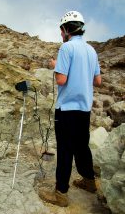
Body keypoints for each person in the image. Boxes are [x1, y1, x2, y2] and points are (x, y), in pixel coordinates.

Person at [39, 11, 102, 207]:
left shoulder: (66, 49)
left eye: (61, 30)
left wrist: (56, 66)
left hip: (66, 110)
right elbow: (98, 81)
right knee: (82, 147)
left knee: (65, 150)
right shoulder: (91, 50)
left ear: (66, 29)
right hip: (84, 109)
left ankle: (61, 194)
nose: (60, 34)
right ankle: (90, 182)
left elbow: (61, 79)